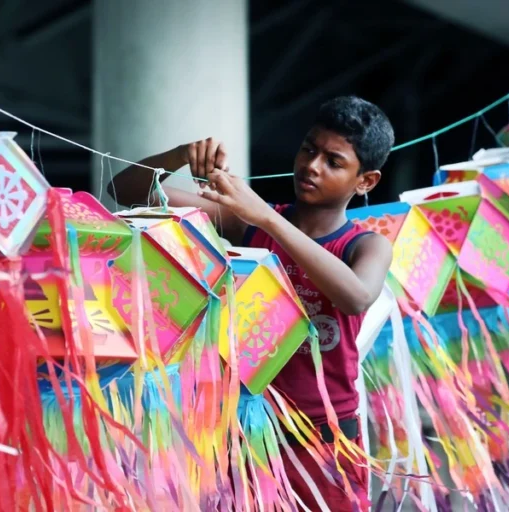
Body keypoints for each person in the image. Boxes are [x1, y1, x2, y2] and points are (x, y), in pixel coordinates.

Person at [110, 96, 394, 510]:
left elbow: (355, 297)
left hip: (324, 442)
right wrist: (180, 156)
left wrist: (267, 218)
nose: (312, 166)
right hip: (244, 436)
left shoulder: (365, 245)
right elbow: (122, 190)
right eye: (309, 149)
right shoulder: (247, 221)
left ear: (365, 181)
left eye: (333, 162)